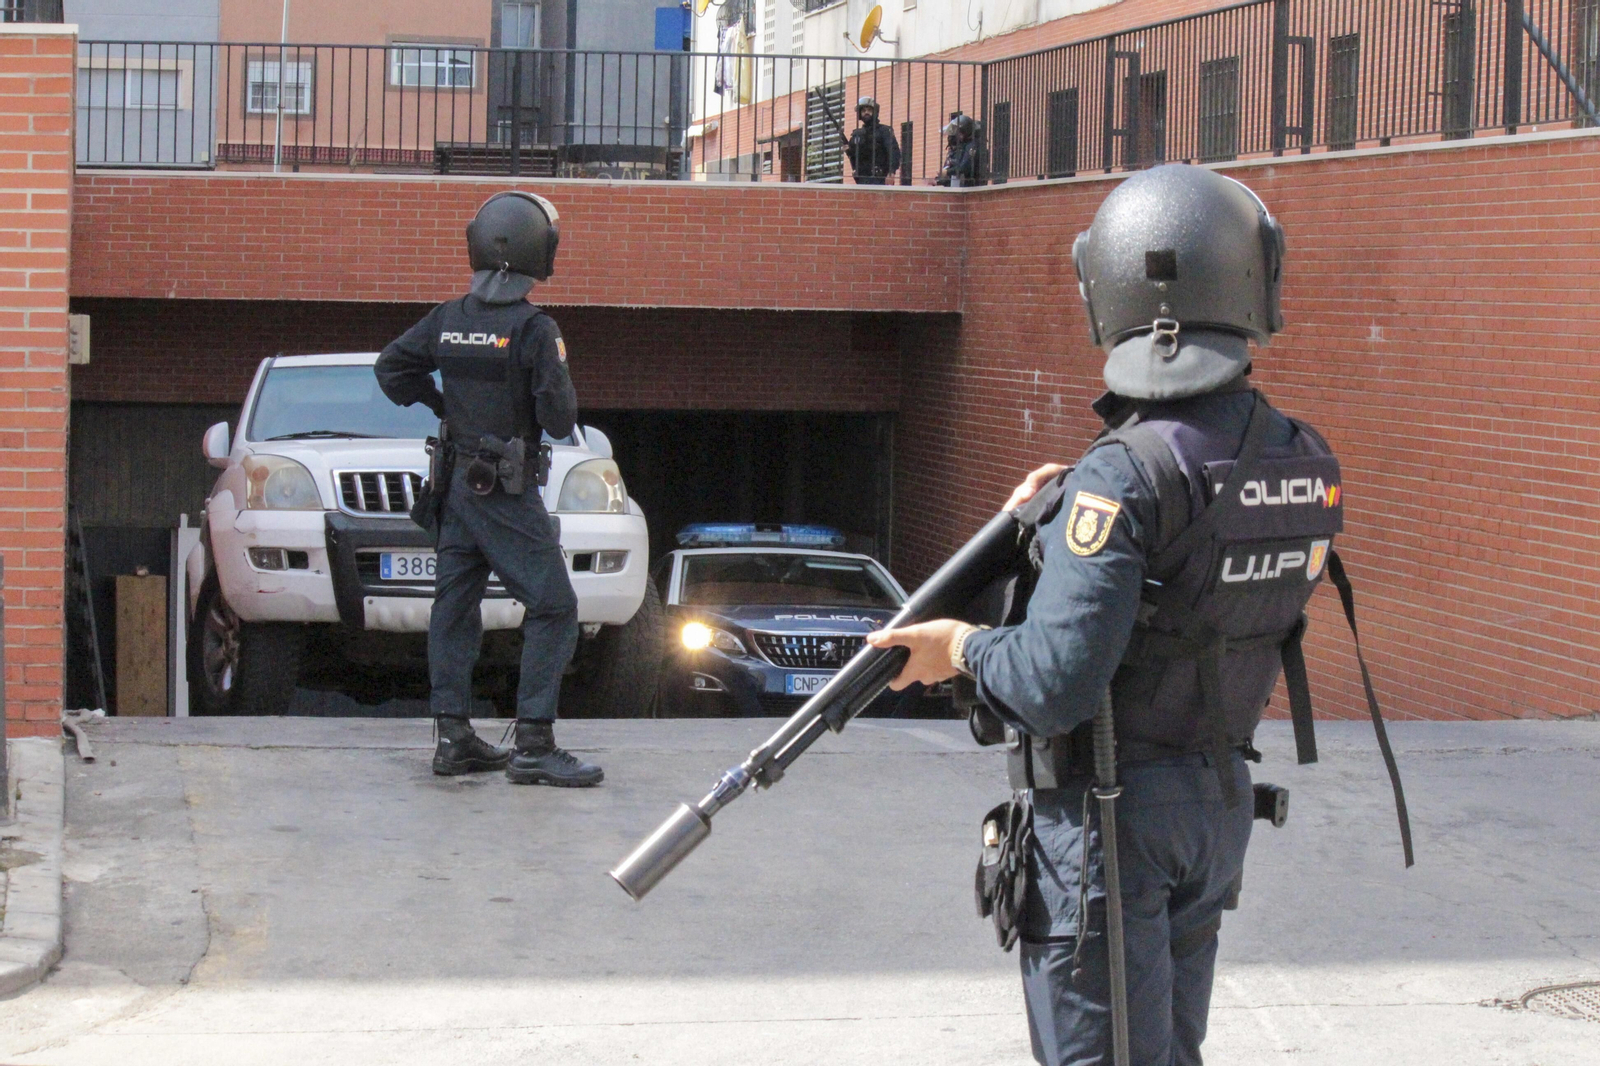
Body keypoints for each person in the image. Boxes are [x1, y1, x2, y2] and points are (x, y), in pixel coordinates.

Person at [868, 165, 1342, 1065]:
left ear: (1113, 290)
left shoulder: (1123, 476)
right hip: (1212, 801)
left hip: (1109, 822)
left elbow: (1052, 685)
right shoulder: (1303, 460)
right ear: (1254, 280)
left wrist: (958, 647)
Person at [375, 191, 604, 788]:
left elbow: (391, 369)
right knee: (556, 607)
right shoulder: (535, 328)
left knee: (453, 606)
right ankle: (533, 744)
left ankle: (454, 740)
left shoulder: (447, 318)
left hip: (454, 487)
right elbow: (558, 421)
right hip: (503, 491)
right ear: (534, 250)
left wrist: (441, 405)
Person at [844, 96, 901, 185]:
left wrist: (891, 172)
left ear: (874, 112)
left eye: (869, 110)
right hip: (862, 179)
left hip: (880, 178)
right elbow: (855, 156)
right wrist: (848, 150)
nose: (866, 112)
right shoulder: (856, 135)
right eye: (863, 111)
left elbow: (894, 152)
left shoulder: (884, 131)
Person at [934, 112, 979, 187]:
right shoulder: (964, 145)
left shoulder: (972, 145)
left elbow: (964, 167)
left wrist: (947, 172)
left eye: (960, 132)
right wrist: (939, 181)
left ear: (966, 131)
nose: (958, 135)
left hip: (970, 186)